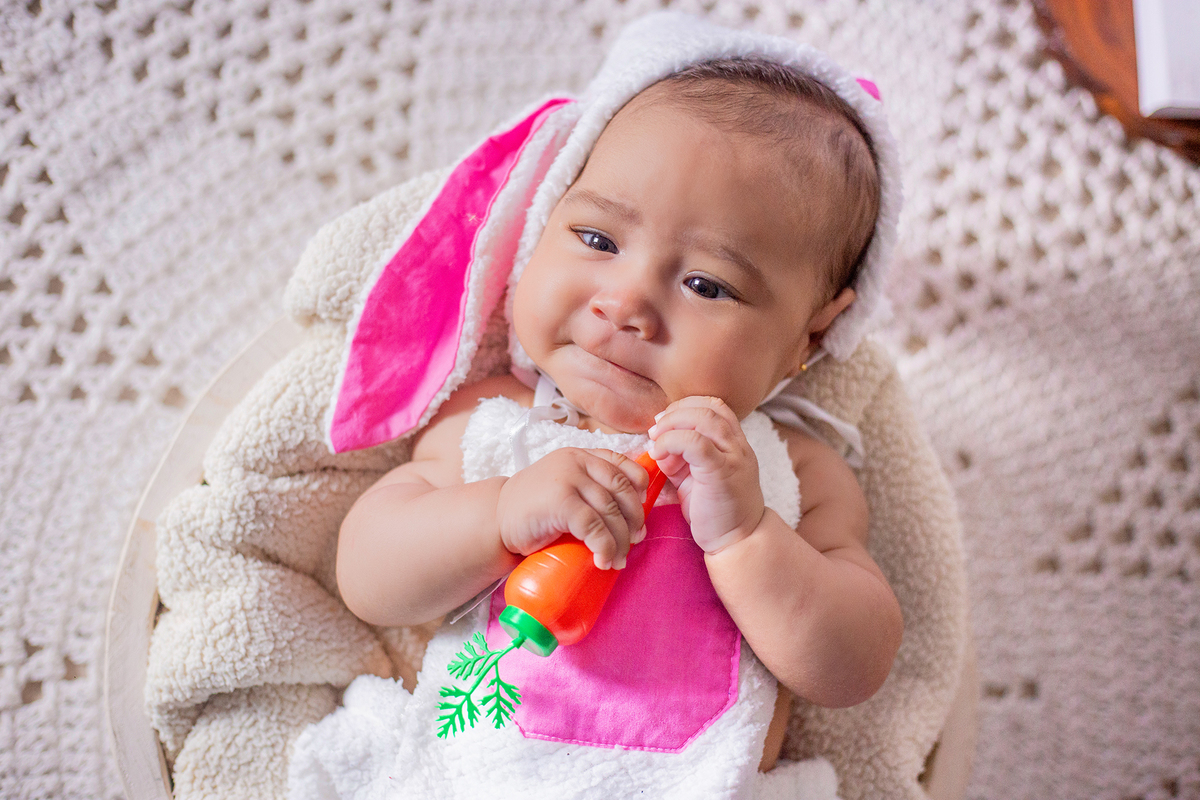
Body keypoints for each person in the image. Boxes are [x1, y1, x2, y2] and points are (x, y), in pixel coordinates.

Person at [290, 13, 903, 800]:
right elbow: (370, 579)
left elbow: (854, 667)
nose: (626, 304)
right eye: (599, 240)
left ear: (808, 337)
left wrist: (747, 536)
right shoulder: (497, 425)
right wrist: (500, 514)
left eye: (707, 284)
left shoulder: (791, 474)